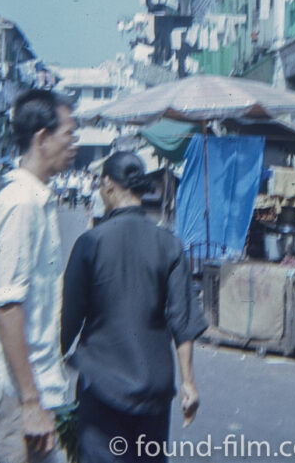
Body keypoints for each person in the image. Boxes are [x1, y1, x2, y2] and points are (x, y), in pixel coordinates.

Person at [61, 151, 207, 463]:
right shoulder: (168, 243)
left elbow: (68, 322)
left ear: (108, 185)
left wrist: (46, 373)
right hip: (154, 388)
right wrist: (189, 383)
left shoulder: (90, 243)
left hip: (102, 383)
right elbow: (183, 320)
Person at [0, 88, 77, 463]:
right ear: (42, 139)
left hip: (38, 387)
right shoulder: (21, 204)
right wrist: (30, 401)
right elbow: (9, 308)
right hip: (14, 395)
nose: (74, 144)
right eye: (69, 134)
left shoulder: (36, 199)